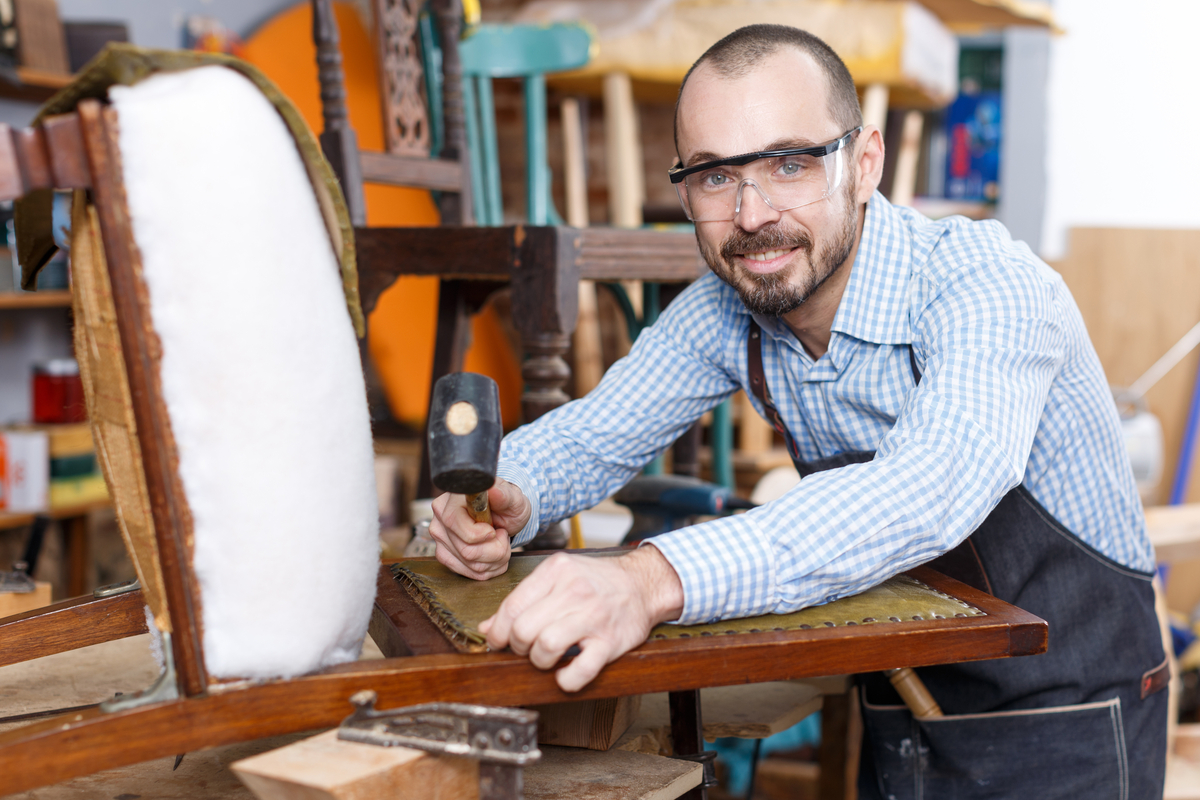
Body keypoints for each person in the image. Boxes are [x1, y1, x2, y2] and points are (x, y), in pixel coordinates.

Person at [429, 24, 1168, 798]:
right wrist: (509, 489)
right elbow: (594, 433)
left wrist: (649, 580)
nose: (751, 214)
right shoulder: (728, 306)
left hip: (1071, 719)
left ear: (865, 164)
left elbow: (930, 487)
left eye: (790, 163)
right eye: (715, 175)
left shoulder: (988, 285)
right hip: (906, 704)